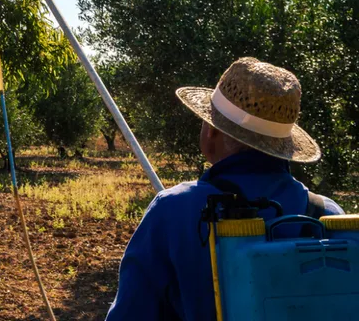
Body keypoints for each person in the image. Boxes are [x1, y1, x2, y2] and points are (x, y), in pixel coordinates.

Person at [105, 57, 344, 320]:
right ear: (284, 145)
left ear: (211, 131)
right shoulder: (328, 215)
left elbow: (130, 312)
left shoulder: (173, 210)